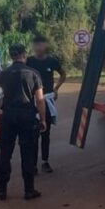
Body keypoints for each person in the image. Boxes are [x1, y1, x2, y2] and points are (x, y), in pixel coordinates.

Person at [0, 44, 46, 200]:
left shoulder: (3, 74)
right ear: (24, 55)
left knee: (5, 153)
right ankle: (29, 190)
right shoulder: (34, 74)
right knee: (27, 153)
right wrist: (43, 119)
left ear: (11, 55)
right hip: (27, 117)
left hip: (8, 116)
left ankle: (1, 190)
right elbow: (40, 100)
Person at [26, 35, 67, 173]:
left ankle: (45, 161)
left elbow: (63, 74)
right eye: (36, 44)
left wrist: (56, 88)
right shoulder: (29, 61)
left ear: (45, 45)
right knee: (33, 134)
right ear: (33, 46)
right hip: (33, 101)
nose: (39, 47)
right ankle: (32, 164)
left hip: (47, 99)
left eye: (41, 44)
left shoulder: (52, 61)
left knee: (46, 132)